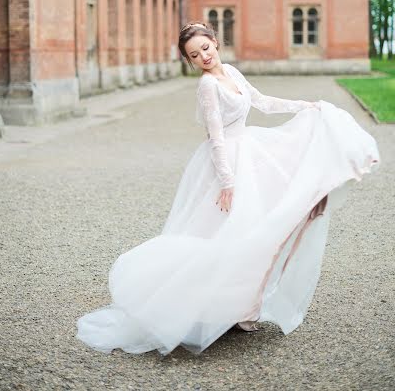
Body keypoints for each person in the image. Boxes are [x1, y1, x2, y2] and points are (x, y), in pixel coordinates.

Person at [76, 21, 379, 356]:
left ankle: (243, 305)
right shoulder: (207, 86)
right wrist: (228, 181)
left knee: (263, 225)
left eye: (205, 48)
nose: (203, 57)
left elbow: (262, 102)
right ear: (190, 62)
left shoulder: (232, 72)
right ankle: (219, 306)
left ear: (216, 43)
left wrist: (305, 107)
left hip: (250, 151)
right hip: (227, 163)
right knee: (227, 233)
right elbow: (216, 136)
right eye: (194, 55)